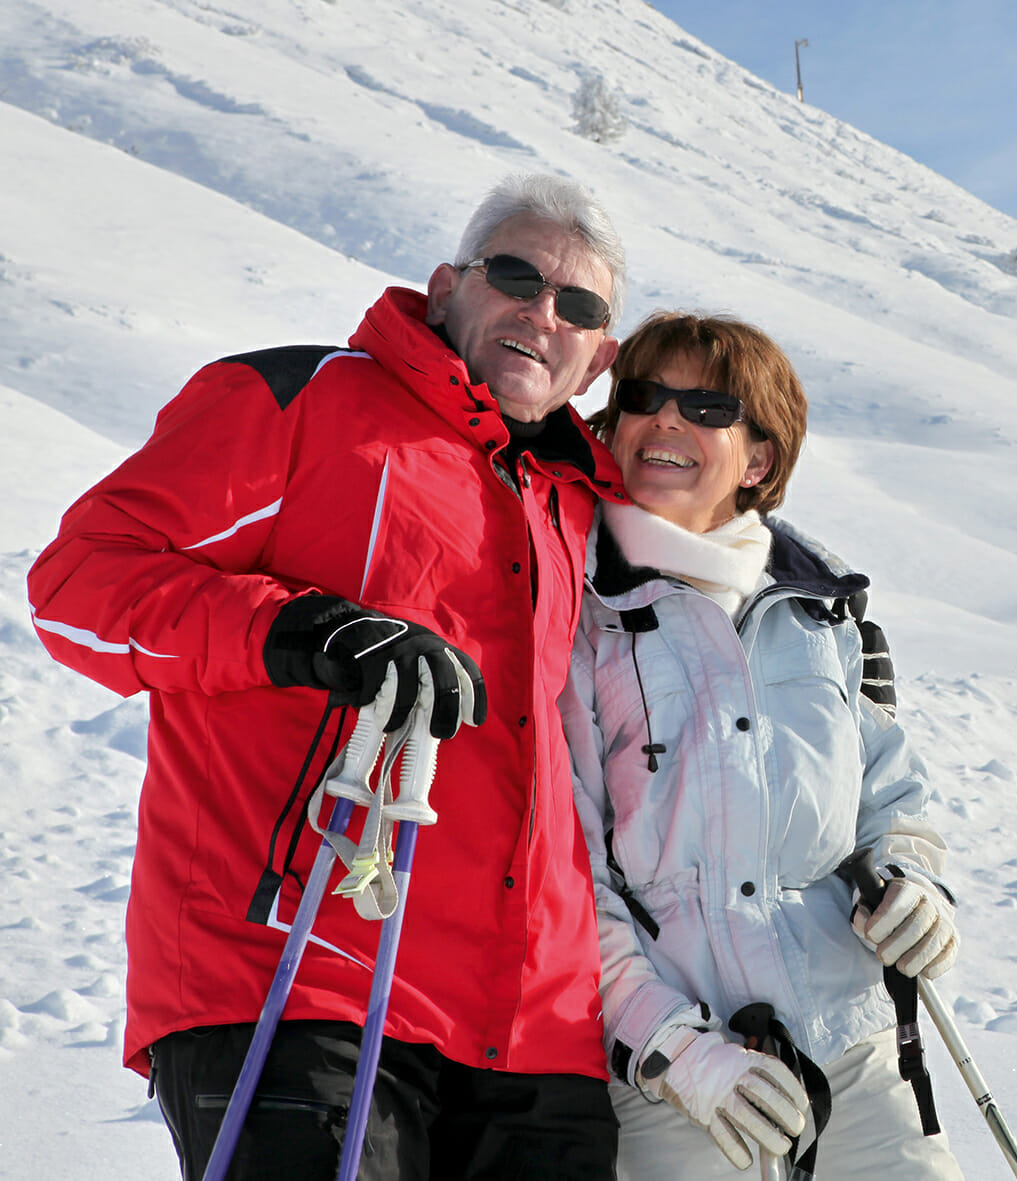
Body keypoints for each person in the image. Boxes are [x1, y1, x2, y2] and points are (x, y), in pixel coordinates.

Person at [28, 174, 632, 1180]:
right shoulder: (299, 402)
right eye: (515, 276)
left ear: (598, 358)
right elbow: (78, 584)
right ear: (445, 288)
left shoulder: (581, 505)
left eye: (578, 305)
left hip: (539, 1033)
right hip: (302, 977)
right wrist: (302, 628)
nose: (542, 313)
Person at [559, 312, 966, 1179]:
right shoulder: (578, 617)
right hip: (678, 1078)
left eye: (708, 407)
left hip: (852, 1047)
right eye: (644, 396)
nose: (667, 419)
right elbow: (566, 877)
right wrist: (676, 1051)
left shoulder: (822, 616)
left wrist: (915, 888)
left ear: (760, 460)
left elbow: (891, 805)